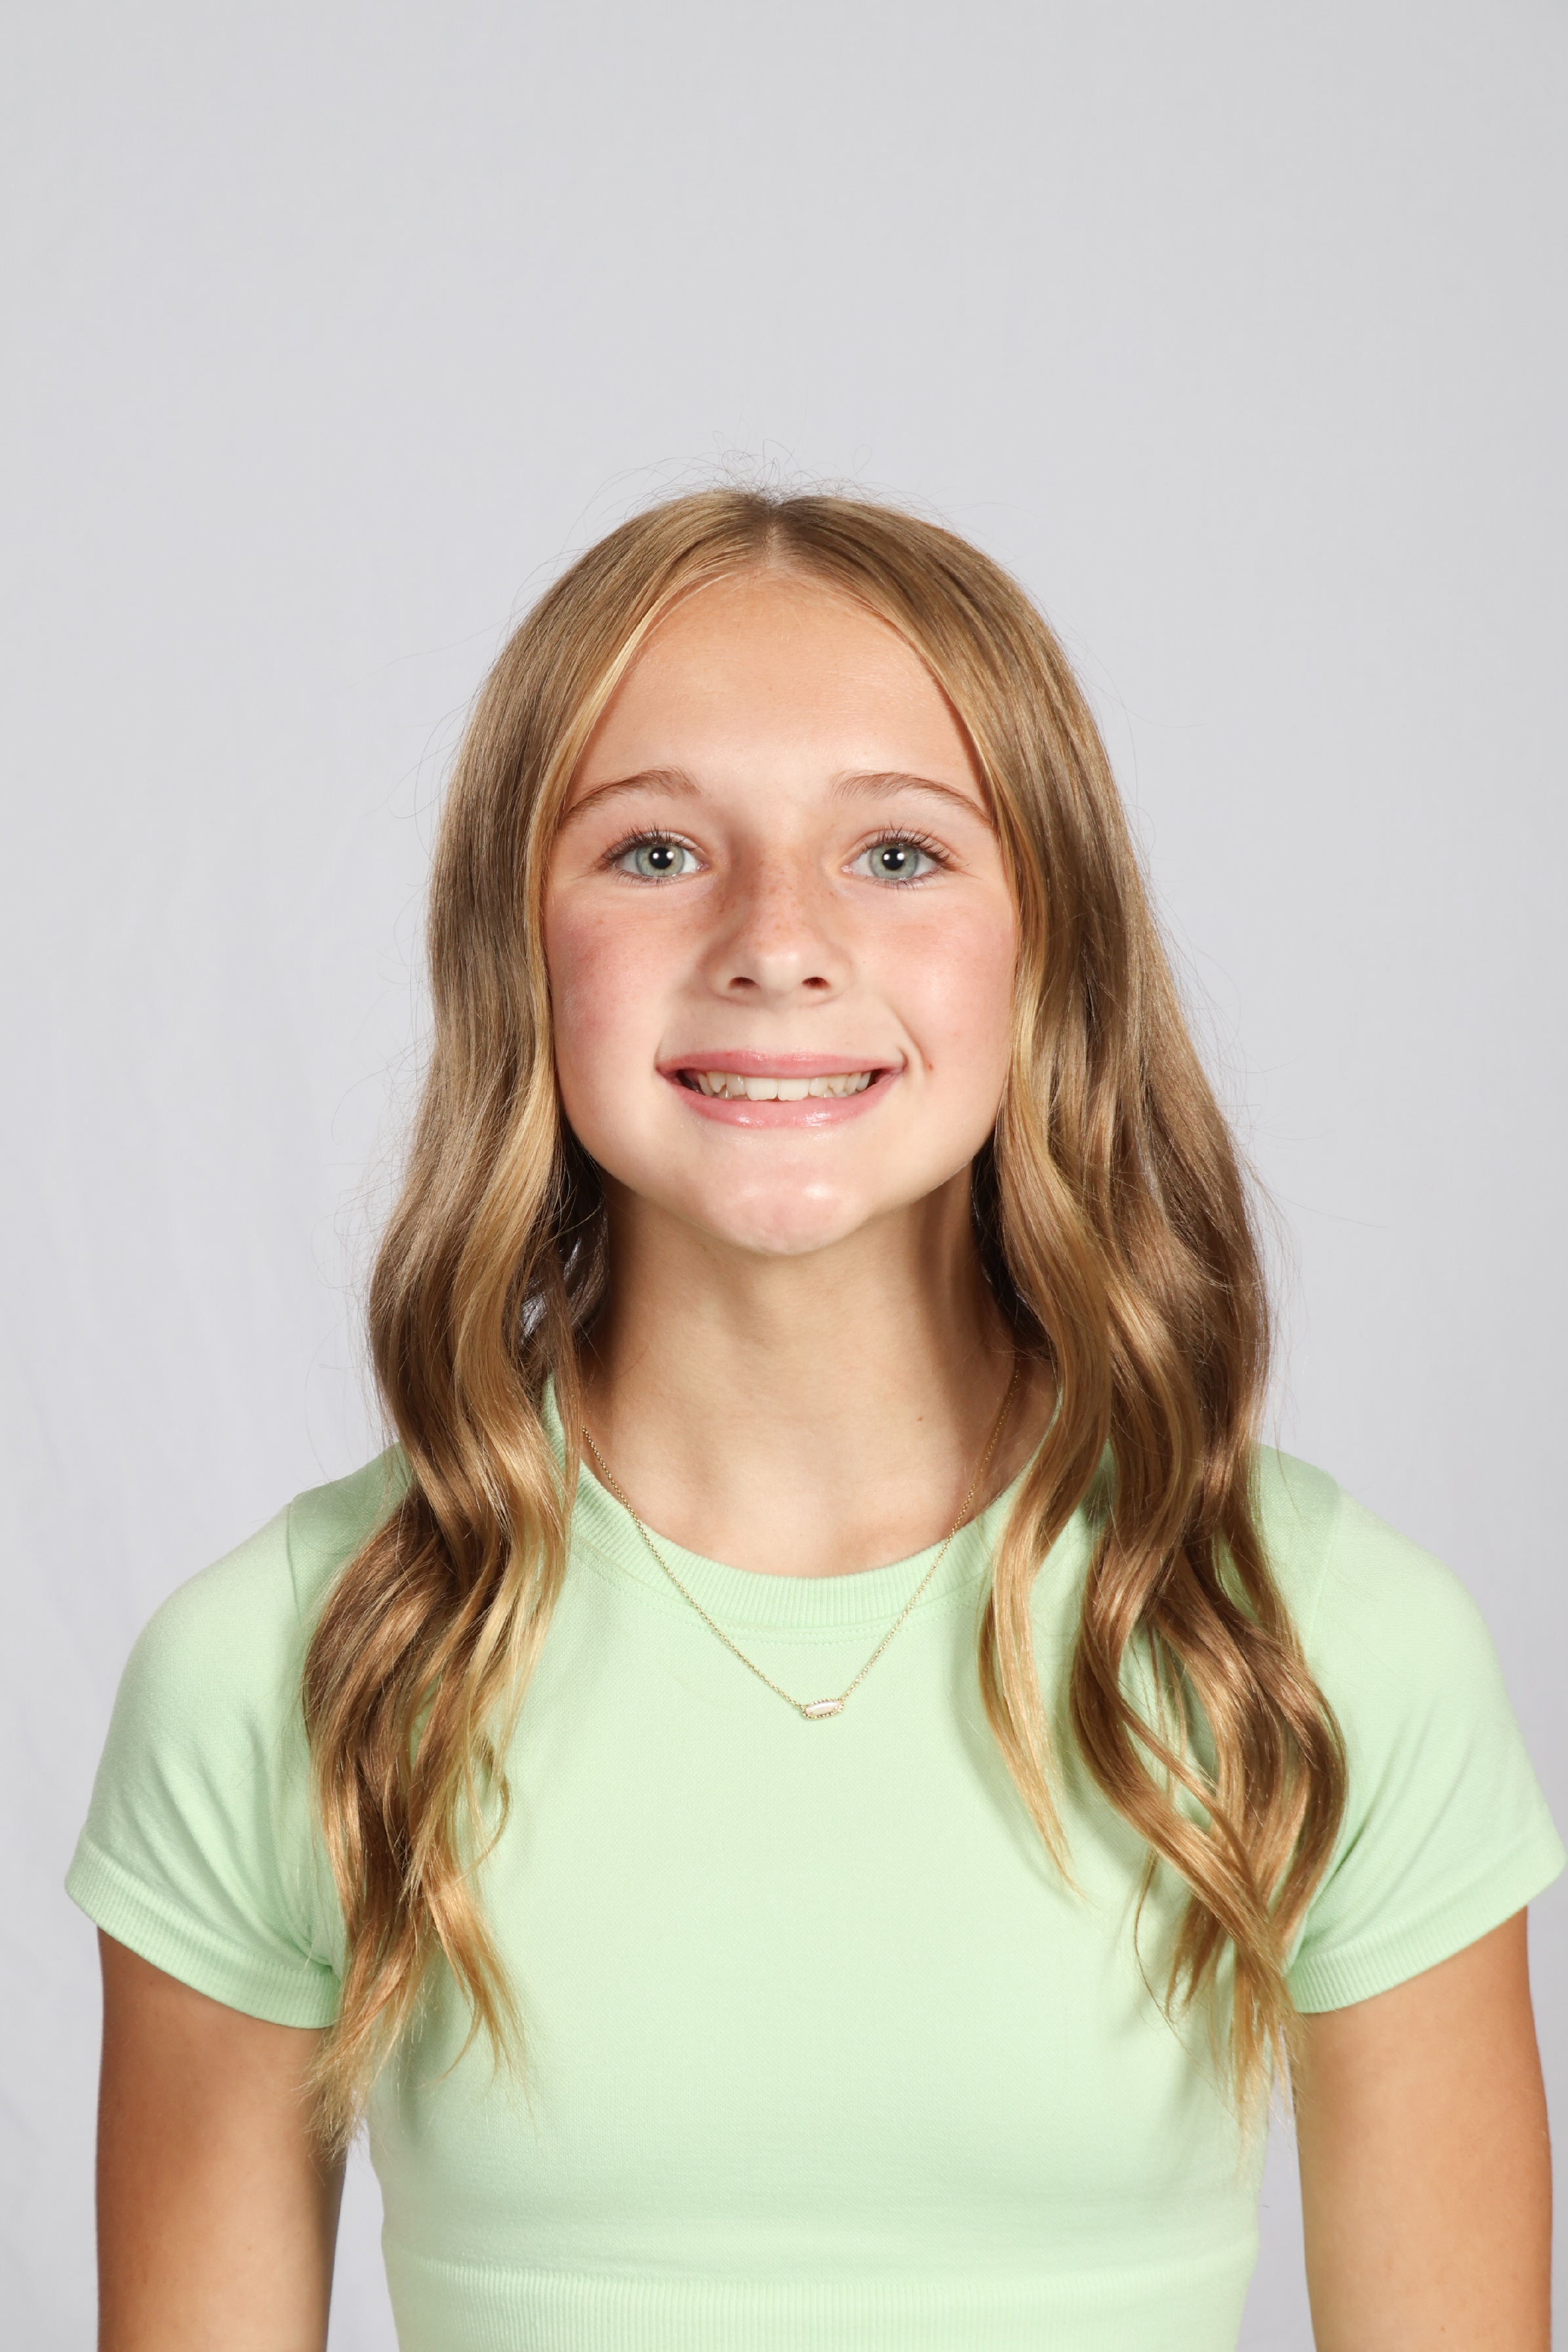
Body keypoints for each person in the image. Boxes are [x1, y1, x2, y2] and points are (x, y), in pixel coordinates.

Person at [71, 489, 1560, 2352]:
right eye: (656, 850)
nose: (777, 941)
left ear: (1050, 946)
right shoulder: (289, 1666)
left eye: (899, 853)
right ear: (517, 943)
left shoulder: (1320, 1642)